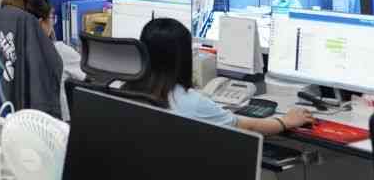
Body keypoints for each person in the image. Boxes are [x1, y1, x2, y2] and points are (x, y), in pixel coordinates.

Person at [125, 18, 313, 135]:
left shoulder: (126, 90)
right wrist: (285, 121)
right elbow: (249, 127)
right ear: (183, 58)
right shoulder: (192, 103)